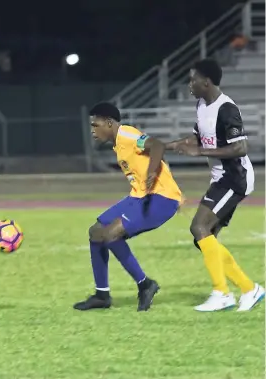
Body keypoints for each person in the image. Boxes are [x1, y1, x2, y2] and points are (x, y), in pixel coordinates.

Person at [166, 58, 265, 312]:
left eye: (193, 79)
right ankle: (248, 289)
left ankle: (222, 293)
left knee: (199, 227)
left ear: (206, 82)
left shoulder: (227, 109)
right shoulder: (202, 105)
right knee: (205, 238)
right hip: (221, 178)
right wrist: (168, 146)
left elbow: (240, 147)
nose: (190, 84)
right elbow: (198, 137)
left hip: (234, 178)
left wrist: (199, 151)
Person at [73, 102, 182, 312]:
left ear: (109, 123)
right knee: (96, 232)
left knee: (111, 235)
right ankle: (102, 295)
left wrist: (152, 173)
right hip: (139, 196)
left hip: (160, 199)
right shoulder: (118, 144)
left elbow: (157, 145)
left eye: (96, 125)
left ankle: (145, 284)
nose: (93, 131)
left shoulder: (127, 135)